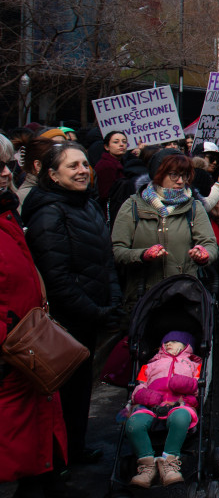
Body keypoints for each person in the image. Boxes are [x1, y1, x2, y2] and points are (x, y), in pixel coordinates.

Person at [22, 142, 122, 466]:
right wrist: (95, 311)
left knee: (80, 390)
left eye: (84, 164)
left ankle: (75, 448)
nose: (82, 171)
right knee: (63, 393)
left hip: (90, 315)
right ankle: (58, 461)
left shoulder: (87, 204)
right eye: (72, 167)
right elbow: (57, 276)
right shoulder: (49, 212)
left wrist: (113, 299)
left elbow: (105, 261)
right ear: (51, 175)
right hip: (67, 319)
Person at [0, 147, 70, 497]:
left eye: (6, 165)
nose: (4, 173)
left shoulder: (7, 217)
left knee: (34, 460)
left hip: (27, 355)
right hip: (12, 361)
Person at [111, 154, 217, 307]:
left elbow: (209, 243)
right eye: (174, 175)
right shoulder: (133, 205)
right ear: (158, 174)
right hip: (143, 297)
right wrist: (142, 255)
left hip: (183, 296)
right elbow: (117, 251)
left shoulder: (194, 206)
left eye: (185, 175)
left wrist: (204, 254)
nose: (181, 181)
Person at [125, 331, 203, 488]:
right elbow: (139, 387)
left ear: (186, 346)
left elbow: (198, 389)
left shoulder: (194, 365)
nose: (168, 344)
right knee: (134, 423)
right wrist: (145, 395)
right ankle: (147, 466)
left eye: (174, 341)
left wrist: (187, 390)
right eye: (166, 342)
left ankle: (170, 462)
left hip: (179, 404)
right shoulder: (150, 365)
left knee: (181, 418)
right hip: (151, 405)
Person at [94, 130, 129, 205]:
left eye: (124, 142)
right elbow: (105, 195)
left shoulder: (123, 162)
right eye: (116, 142)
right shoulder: (105, 166)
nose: (121, 144)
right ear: (107, 147)